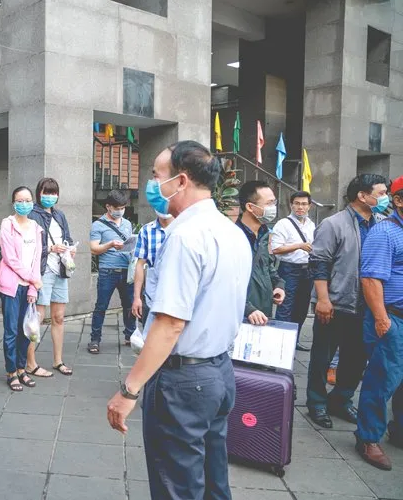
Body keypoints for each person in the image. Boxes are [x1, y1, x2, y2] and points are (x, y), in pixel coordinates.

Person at [106, 141, 251, 499]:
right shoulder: (231, 232)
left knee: (177, 486)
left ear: (181, 181)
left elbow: (170, 324)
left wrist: (129, 390)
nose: (152, 184)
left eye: (157, 175)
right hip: (219, 370)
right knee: (213, 477)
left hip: (184, 381)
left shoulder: (185, 237)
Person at [307, 174, 389, 429]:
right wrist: (323, 299)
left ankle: (341, 400)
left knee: (356, 359)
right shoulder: (333, 224)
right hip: (336, 303)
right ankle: (317, 402)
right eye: (381, 193)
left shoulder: (381, 224)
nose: (385, 198)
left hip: (366, 306)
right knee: (323, 356)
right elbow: (319, 262)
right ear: (362, 196)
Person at [354, 175, 403, 470]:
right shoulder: (385, 233)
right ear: (398, 200)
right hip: (392, 318)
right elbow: (371, 279)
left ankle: (398, 431)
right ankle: (368, 438)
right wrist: (382, 319)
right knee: (382, 380)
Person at [27, 177, 74, 377]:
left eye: (53, 193)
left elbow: (68, 238)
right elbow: (29, 245)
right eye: (46, 192)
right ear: (39, 193)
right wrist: (51, 248)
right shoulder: (32, 214)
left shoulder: (59, 215)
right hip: (42, 271)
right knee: (36, 318)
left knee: (59, 317)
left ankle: (58, 361)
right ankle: (30, 362)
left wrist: (70, 249)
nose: (50, 196)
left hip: (60, 270)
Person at [0, 187, 43, 391]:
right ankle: (11, 372)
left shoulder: (36, 227)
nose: (24, 204)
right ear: (13, 203)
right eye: (20, 200)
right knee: (11, 330)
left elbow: (37, 259)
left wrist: (33, 287)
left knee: (26, 330)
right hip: (11, 286)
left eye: (27, 200)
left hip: (29, 287)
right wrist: (33, 279)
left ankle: (21, 368)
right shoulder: (7, 225)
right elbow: (10, 258)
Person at [88, 189, 136, 354]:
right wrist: (110, 245)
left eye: (123, 208)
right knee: (101, 306)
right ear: (108, 207)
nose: (120, 211)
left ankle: (130, 335)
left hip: (126, 270)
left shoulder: (127, 224)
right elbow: (94, 249)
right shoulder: (98, 225)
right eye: (117, 208)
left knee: (129, 305)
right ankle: (95, 339)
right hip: (107, 271)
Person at [270, 191, 316, 351]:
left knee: (302, 308)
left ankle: (293, 342)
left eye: (304, 204)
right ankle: (279, 346)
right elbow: (275, 249)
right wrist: (299, 246)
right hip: (289, 269)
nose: (300, 207)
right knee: (285, 307)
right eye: (297, 203)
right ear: (291, 205)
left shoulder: (311, 224)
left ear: (309, 206)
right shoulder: (283, 224)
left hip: (307, 270)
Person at [236, 181, 286, 325]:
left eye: (274, 202)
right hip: (240, 316)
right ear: (250, 207)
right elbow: (226, 282)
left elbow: (267, 267)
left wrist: (278, 285)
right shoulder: (234, 237)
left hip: (263, 314)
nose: (273, 208)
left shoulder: (264, 234)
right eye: (269, 203)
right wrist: (248, 309)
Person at [131, 211, 173, 327]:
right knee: (150, 330)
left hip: (177, 290)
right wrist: (137, 297)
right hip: (153, 291)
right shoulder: (147, 230)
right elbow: (140, 265)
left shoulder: (184, 228)